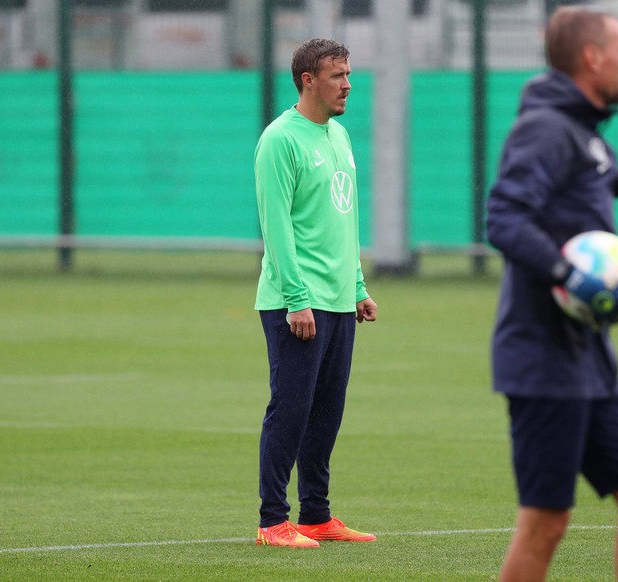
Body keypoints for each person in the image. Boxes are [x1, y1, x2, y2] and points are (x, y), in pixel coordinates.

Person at [486, 7, 618, 581]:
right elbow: (504, 217)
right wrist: (567, 273)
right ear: (592, 57)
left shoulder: (581, 131)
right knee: (546, 522)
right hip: (542, 359)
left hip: (587, 358)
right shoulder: (546, 127)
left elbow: (588, 187)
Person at [252, 38, 378, 548]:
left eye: (348, 74)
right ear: (309, 80)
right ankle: (272, 521)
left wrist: (357, 286)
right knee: (292, 408)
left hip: (337, 300)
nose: (348, 84)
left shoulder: (340, 136)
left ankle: (316, 516)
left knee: (327, 410)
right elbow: (276, 226)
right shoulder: (280, 139)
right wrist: (297, 296)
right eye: (338, 75)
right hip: (293, 301)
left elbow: (341, 221)